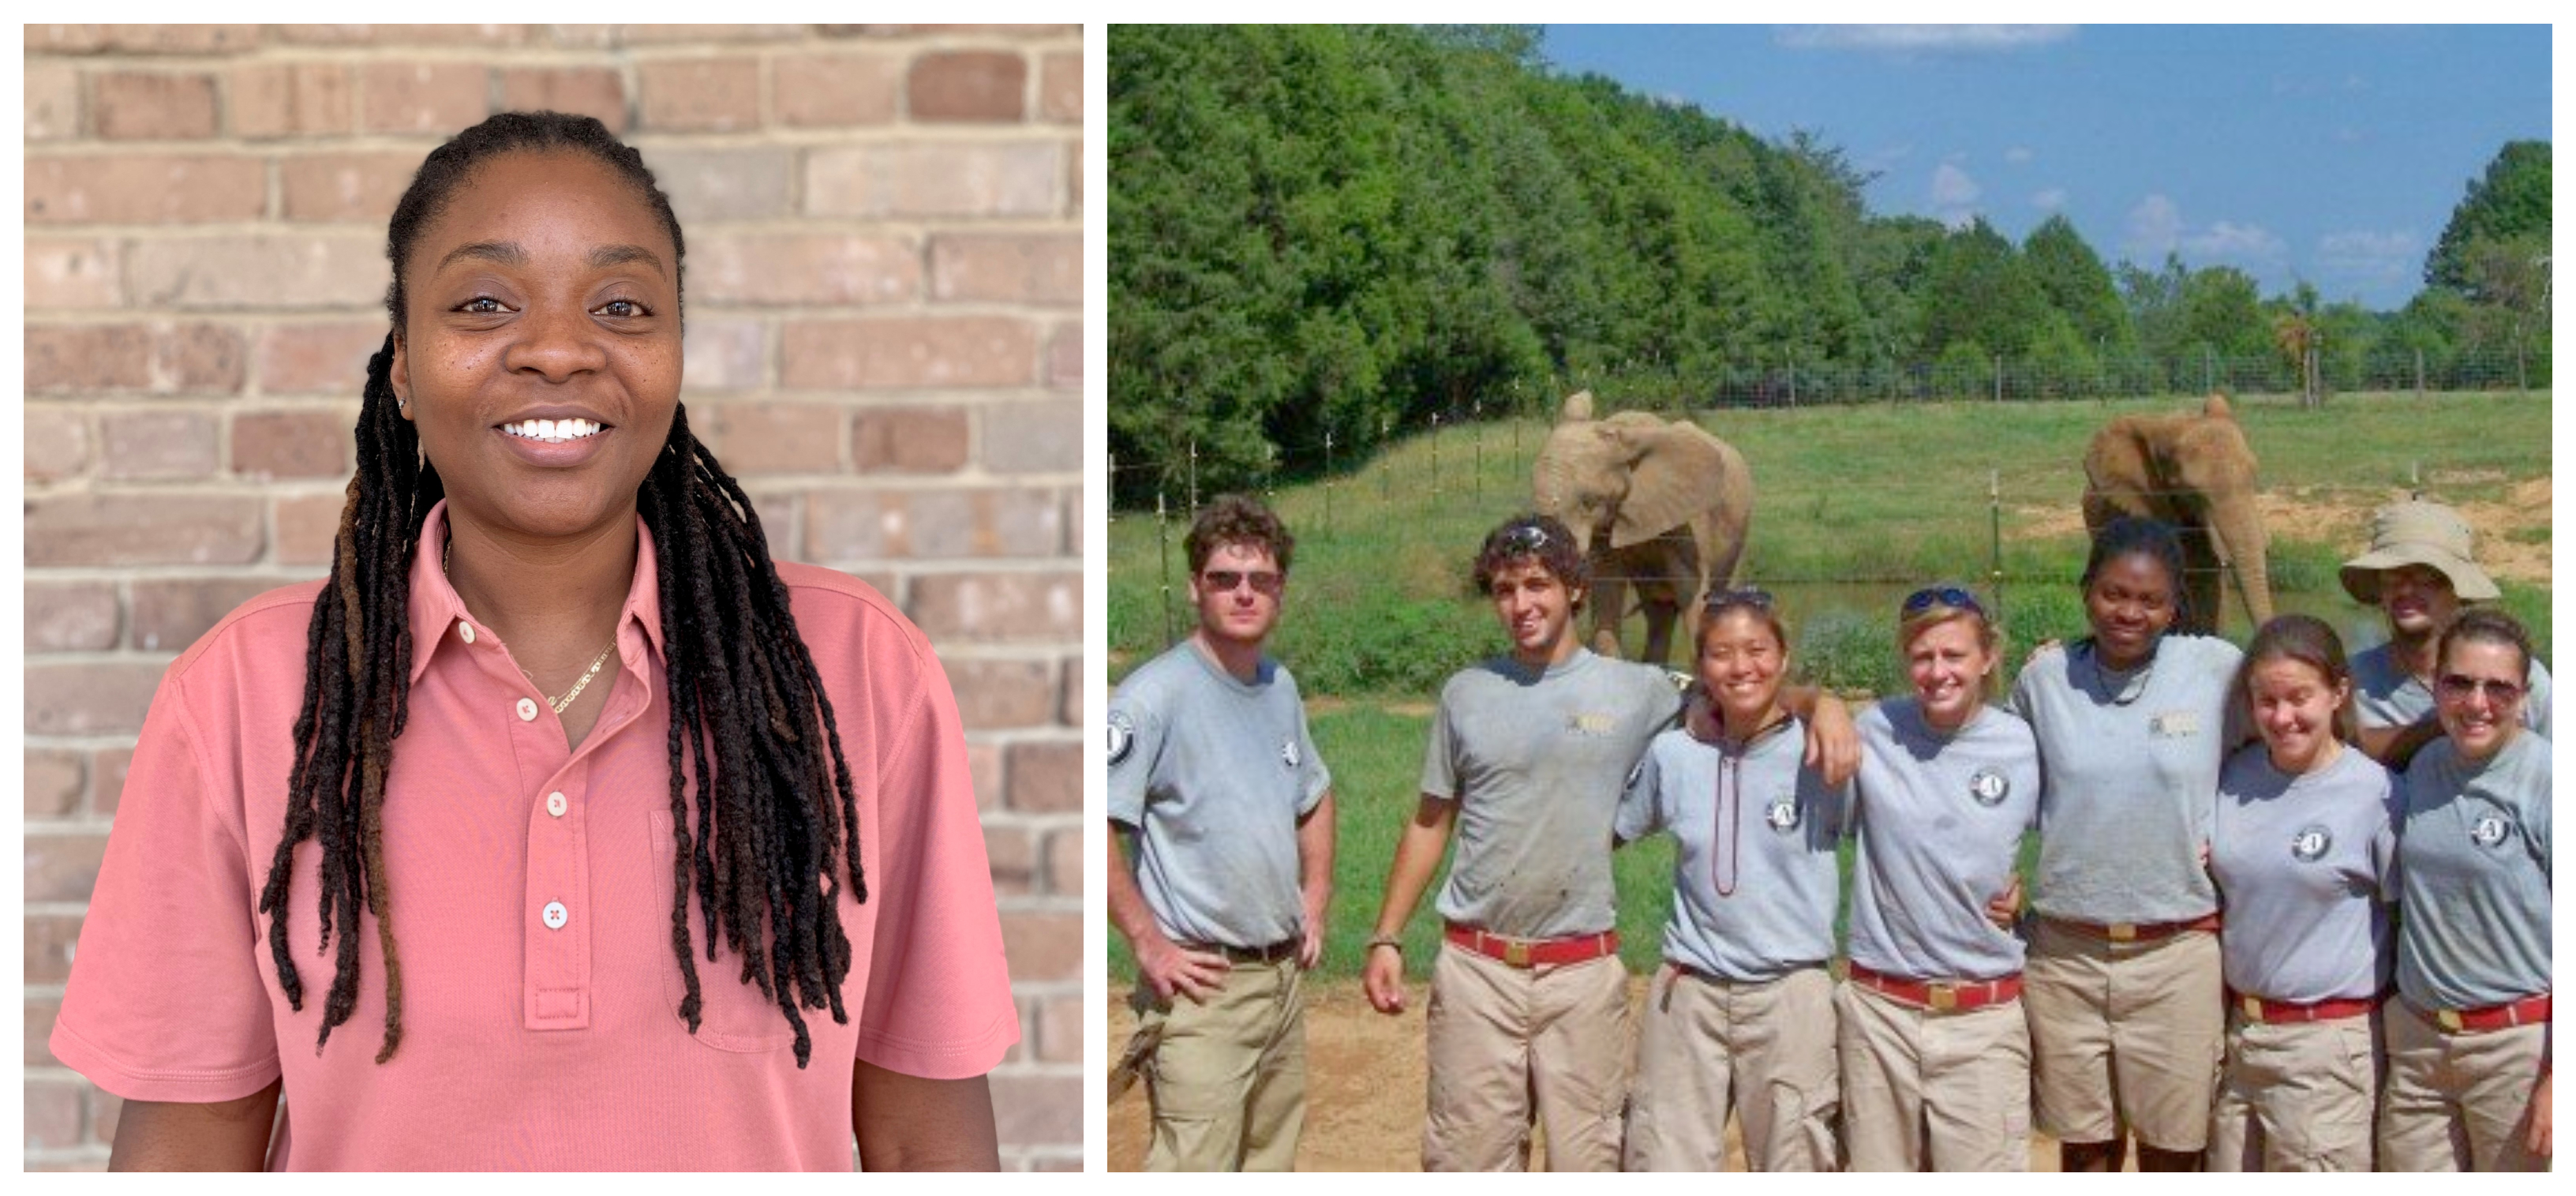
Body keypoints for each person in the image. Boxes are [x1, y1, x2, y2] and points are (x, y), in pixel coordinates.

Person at [47, 112, 1013, 1171]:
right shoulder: (238, 697)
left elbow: (929, 1140)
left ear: (675, 351)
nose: (558, 347)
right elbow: (185, 1152)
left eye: (621, 304)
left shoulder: (857, 676)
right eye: (484, 304)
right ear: (403, 367)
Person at [1358, 514, 1854, 1172]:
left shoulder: (1641, 687)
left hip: (1582, 970)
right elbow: (1430, 819)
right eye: (1505, 589)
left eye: (1538, 584)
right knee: (1465, 1159)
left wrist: (1825, 704)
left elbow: (1743, 683)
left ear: (1575, 589)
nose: (1522, 603)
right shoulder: (1466, 693)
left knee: (1591, 1161)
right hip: (1476, 964)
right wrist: (1387, 934)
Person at [1105, 495, 1335, 1171]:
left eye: (1260, 579)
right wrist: (1149, 941)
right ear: (1194, 587)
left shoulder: (1278, 686)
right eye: (1224, 578)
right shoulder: (1151, 698)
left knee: (1270, 1163)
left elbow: (1315, 798)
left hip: (1281, 982)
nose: (1243, 592)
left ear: (1280, 591)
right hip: (1204, 990)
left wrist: (1314, 900)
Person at [2010, 516, 2243, 1172]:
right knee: (2086, 1148)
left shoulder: (2215, 669)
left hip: (2177, 951)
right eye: (2114, 593)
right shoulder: (2044, 680)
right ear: (2086, 590)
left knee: (2176, 1149)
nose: (2130, 612)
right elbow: (1998, 787)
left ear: (2175, 606)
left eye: (2150, 600)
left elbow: (2296, 722)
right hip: (2066, 955)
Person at [1618, 589, 1848, 1171]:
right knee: (1662, 1160)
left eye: (1757, 649)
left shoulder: (1822, 751)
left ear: (1784, 654)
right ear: (1700, 667)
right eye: (1721, 653)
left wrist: (1827, 704)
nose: (1741, 666)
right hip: (1689, 992)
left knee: (1795, 1161)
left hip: (1789, 992)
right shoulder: (1675, 753)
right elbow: (1607, 830)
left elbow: (1903, 838)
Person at [1840, 586, 2042, 1172]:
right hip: (1882, 1012)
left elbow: (2083, 823)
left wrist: (2034, 887)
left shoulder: (2022, 742)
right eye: (1923, 657)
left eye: (1954, 655)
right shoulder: (1873, 729)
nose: (1938, 672)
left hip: (1983, 1014)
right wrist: (1820, 703)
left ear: (1987, 657)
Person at [2207, 616, 2399, 1172]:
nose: (2283, 716)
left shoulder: (2377, 795)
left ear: (2338, 693)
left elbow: (2406, 914)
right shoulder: (2234, 776)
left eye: (2300, 697)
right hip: (2242, 1036)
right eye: (2267, 700)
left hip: (2326, 1044)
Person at [2379, 609, 2552, 1172]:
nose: (2478, 702)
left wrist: (2558, 1076)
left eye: (2498, 687)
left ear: (2523, 696)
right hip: (2419, 1043)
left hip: (2516, 1047)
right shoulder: (2423, 766)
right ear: (2436, 685)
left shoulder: (2549, 780)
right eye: (2460, 682)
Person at [2339, 498, 2551, 768]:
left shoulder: (2519, 678)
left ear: (2458, 589)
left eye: (2426, 577)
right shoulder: (2353, 682)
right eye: (2393, 576)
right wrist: (2456, 722)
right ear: (2379, 589)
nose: (2405, 591)